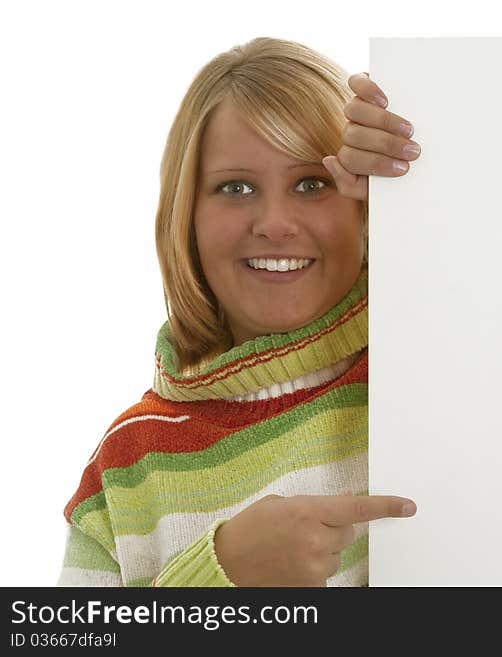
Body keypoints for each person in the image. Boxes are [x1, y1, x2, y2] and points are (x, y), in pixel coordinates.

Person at [57, 36, 421, 587]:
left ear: (365, 206)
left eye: (311, 183)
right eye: (236, 187)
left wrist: (437, 180)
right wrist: (214, 585)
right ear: (188, 218)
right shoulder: (125, 470)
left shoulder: (431, 370)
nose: (275, 222)